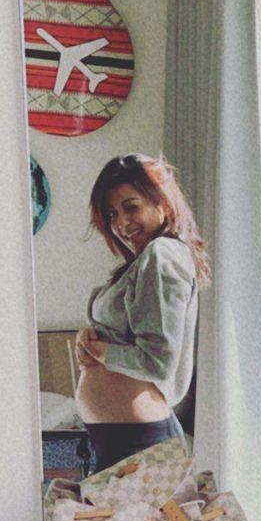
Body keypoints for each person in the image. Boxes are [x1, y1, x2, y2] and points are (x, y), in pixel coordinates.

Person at [74, 153, 211, 473]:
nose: (121, 223)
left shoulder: (161, 255)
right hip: (127, 440)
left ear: (163, 204)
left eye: (131, 207)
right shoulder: (143, 261)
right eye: (112, 213)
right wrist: (91, 340)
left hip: (140, 443)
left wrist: (101, 351)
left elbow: (157, 361)